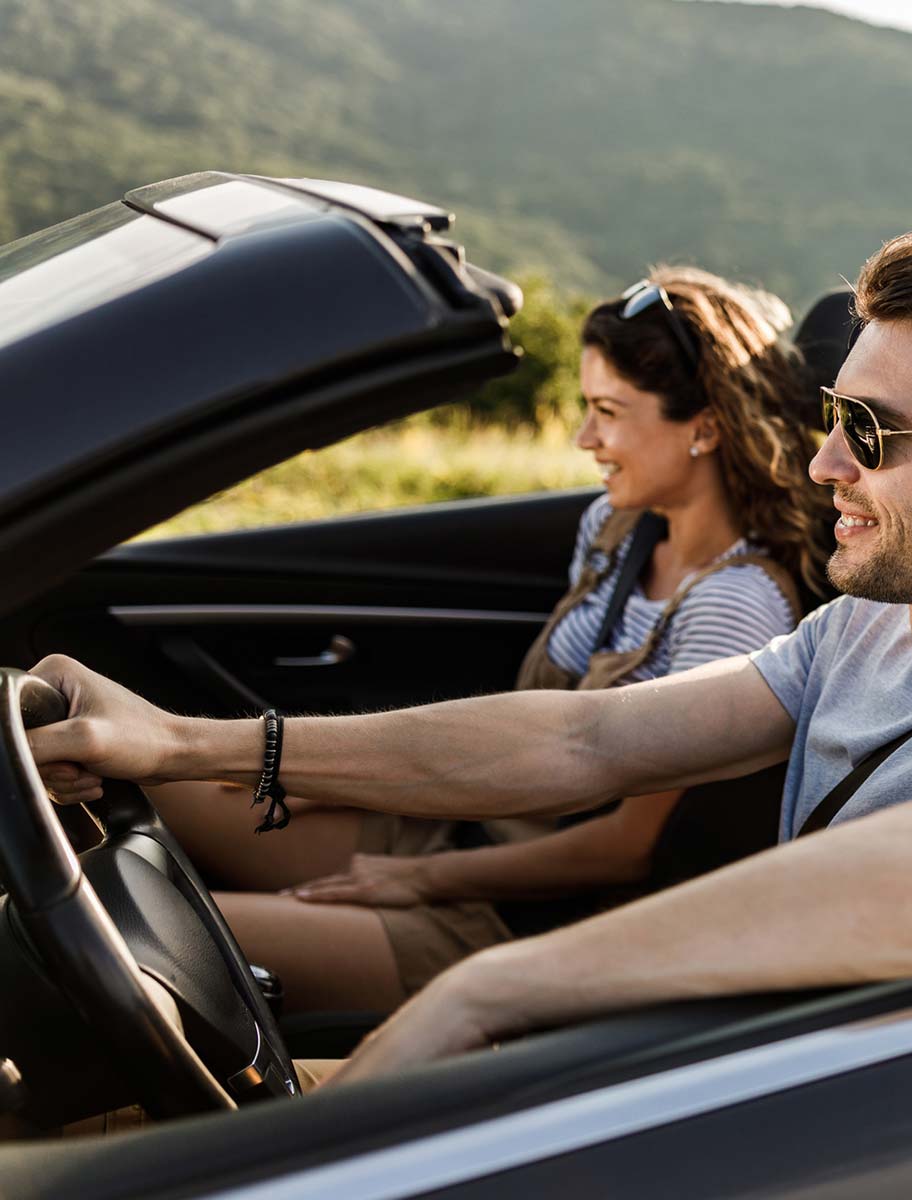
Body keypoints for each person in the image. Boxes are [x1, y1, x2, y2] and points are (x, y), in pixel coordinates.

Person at [29, 231, 912, 1089]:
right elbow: (584, 737)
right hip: (725, 1077)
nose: (821, 471)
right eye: (827, 422)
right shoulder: (862, 631)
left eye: (872, 434)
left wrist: (499, 989)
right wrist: (186, 743)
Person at [136, 266, 834, 1015]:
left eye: (608, 411)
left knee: (145, 935)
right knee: (143, 782)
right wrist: (324, 780)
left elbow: (622, 849)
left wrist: (416, 884)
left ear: (704, 427)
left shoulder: (734, 607)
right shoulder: (616, 530)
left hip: (522, 913)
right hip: (459, 827)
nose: (583, 437)